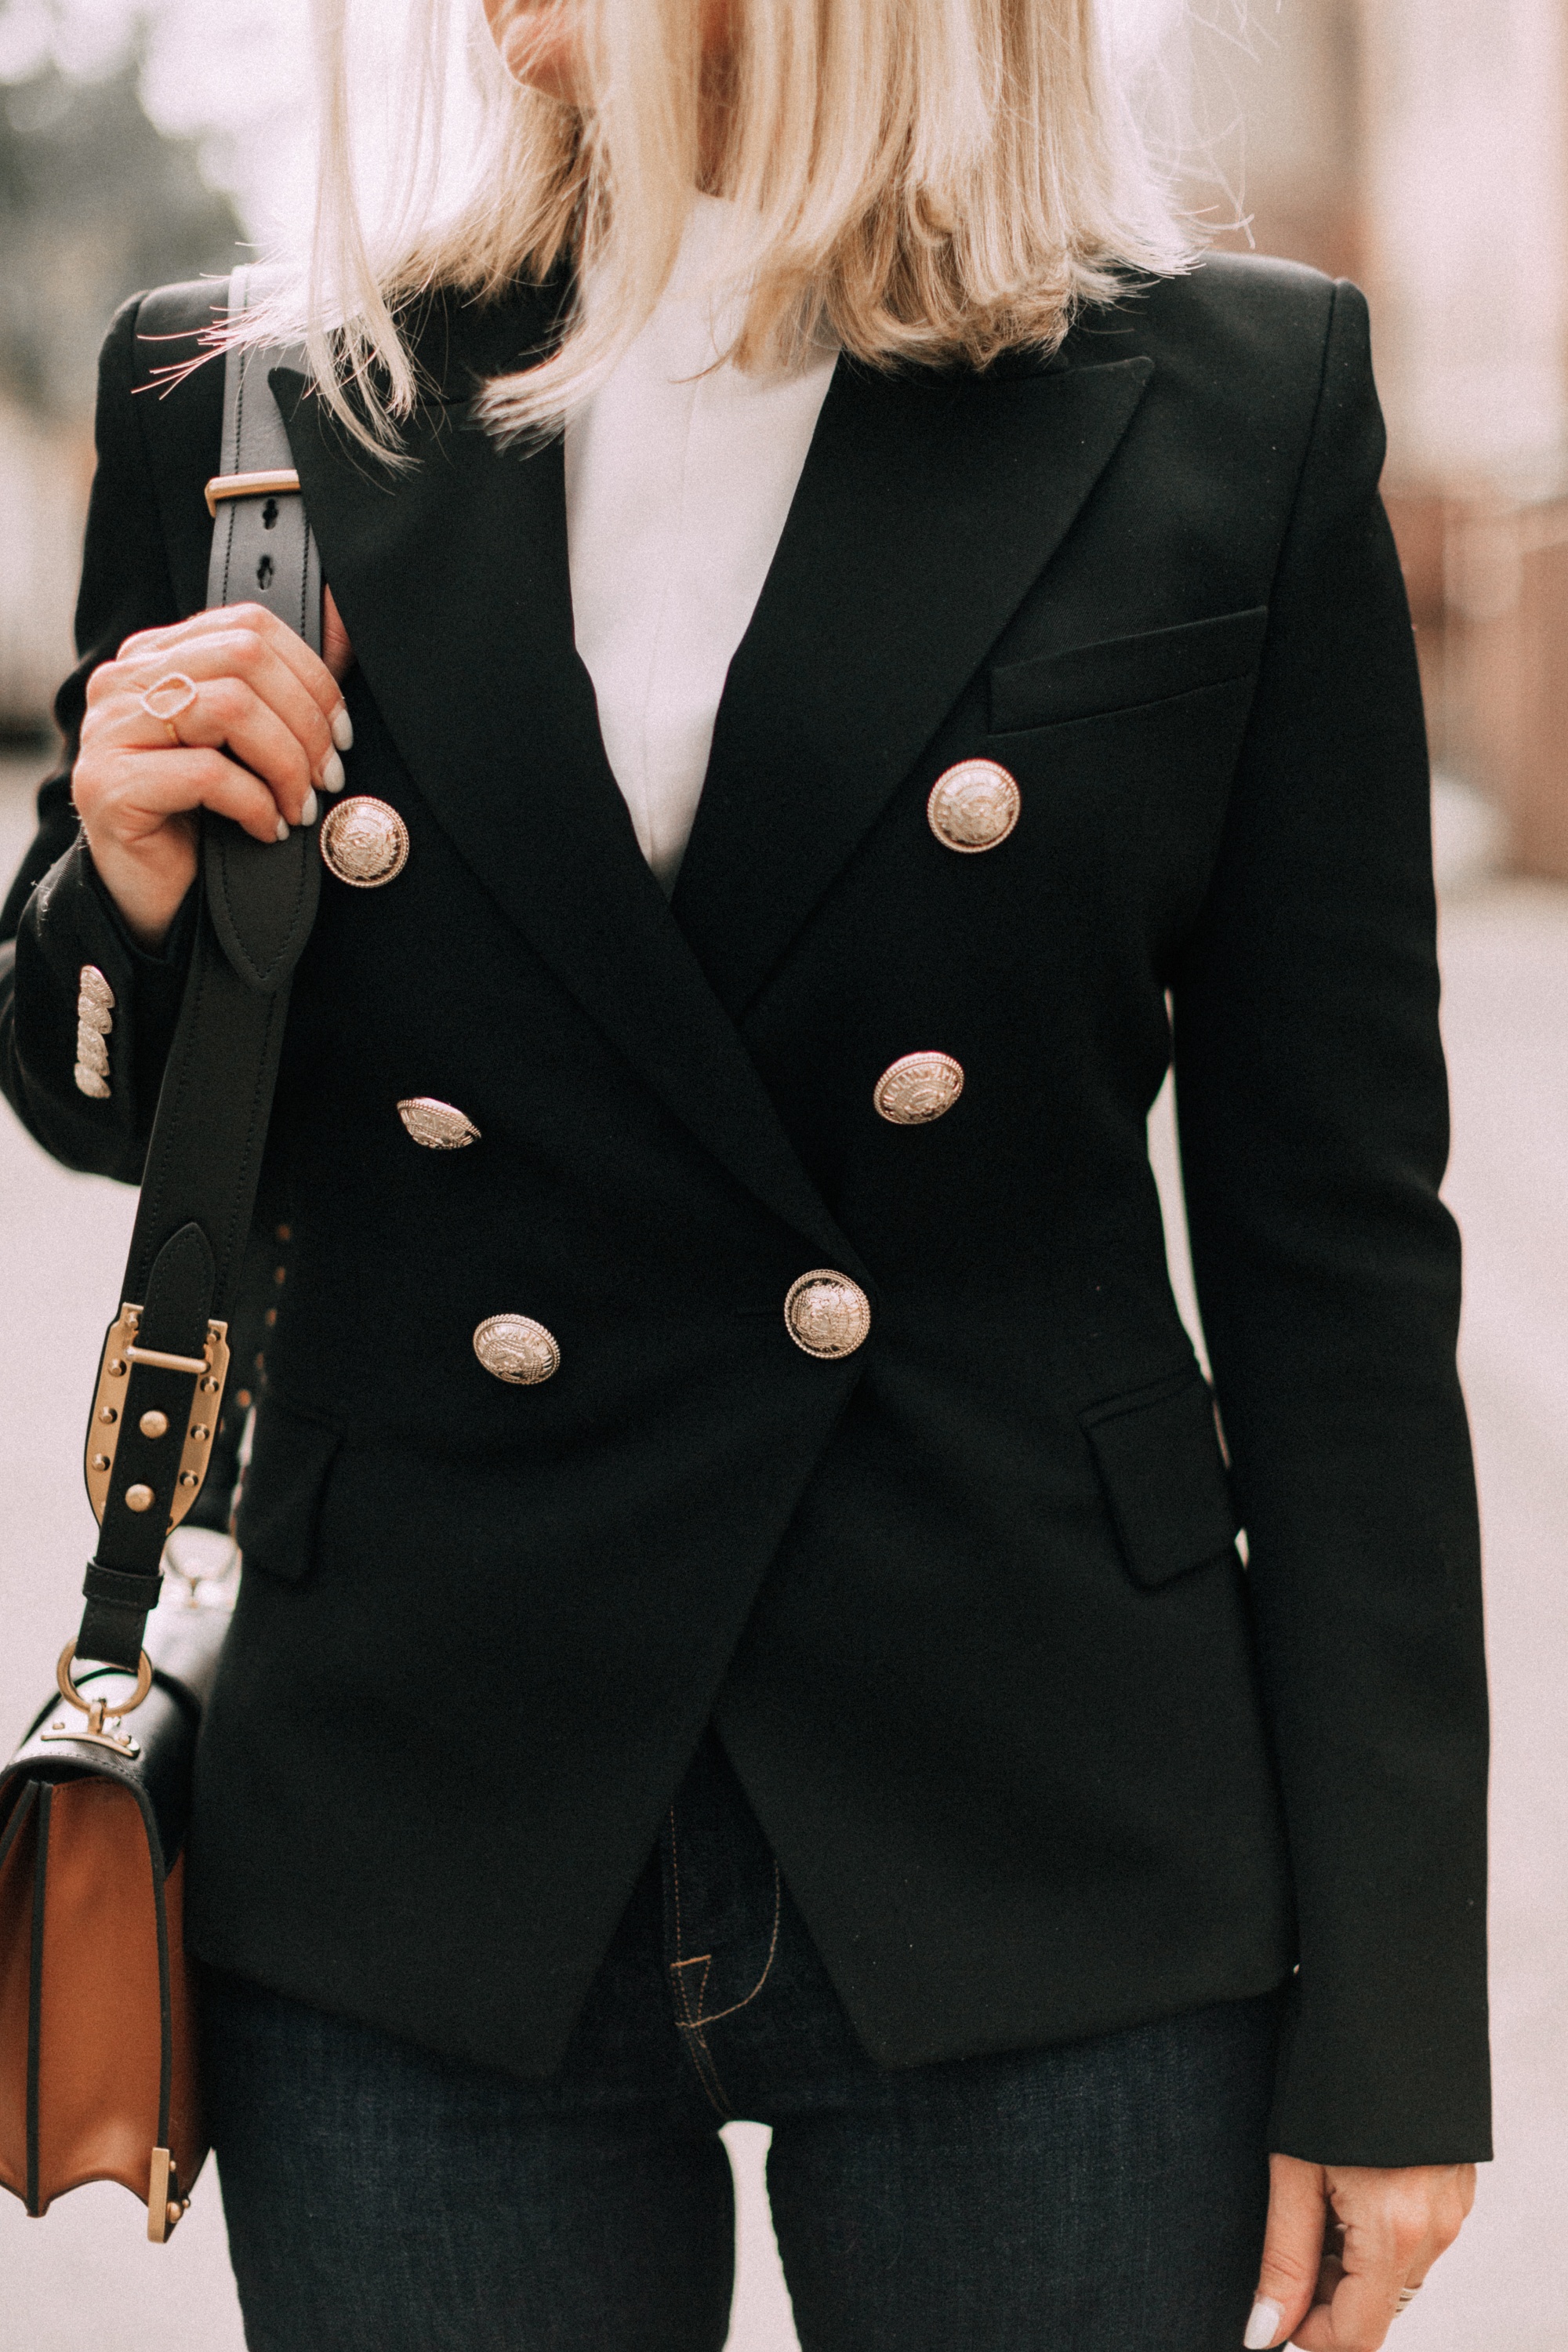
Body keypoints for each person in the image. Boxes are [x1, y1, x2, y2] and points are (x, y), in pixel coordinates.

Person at [0, 2, 1489, 2347]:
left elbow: (1339, 1269)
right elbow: (114, 1109)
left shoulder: (1231, 398)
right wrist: (127, 872)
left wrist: (1400, 2023)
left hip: (1036, 1805)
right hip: (425, 1793)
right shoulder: (245, 400)